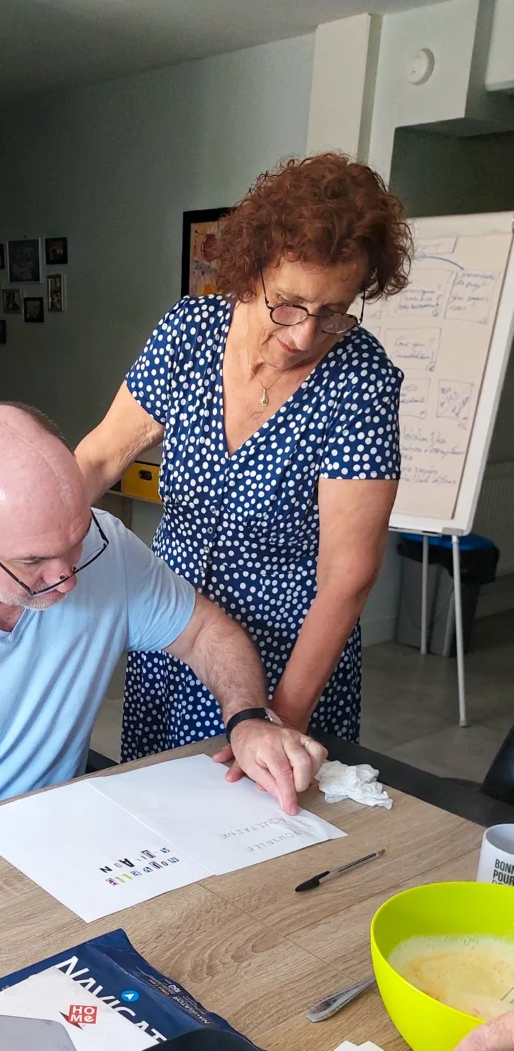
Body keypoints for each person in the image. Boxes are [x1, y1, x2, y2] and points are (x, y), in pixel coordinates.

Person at [0, 403, 327, 851]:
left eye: (76, 542)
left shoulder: (107, 547)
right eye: (34, 562)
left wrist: (249, 718)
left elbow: (206, 632)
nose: (68, 579)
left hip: (64, 836)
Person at [76, 152, 412, 763]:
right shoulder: (189, 333)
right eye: (288, 302)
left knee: (254, 811)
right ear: (251, 267)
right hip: (172, 631)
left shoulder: (360, 381)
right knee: (154, 800)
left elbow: (348, 576)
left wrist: (278, 718)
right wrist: (19, 547)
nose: (304, 334)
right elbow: (99, 458)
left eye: (333, 312)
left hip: (284, 656)